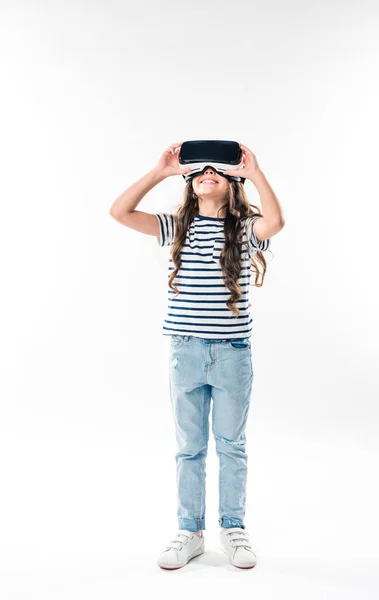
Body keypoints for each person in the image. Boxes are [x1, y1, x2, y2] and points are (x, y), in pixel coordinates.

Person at [110, 141, 285, 570]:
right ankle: (190, 531)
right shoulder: (179, 227)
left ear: (232, 183)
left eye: (219, 170)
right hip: (185, 352)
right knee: (189, 447)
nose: (209, 172)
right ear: (191, 182)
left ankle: (234, 528)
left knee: (231, 445)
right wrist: (159, 172)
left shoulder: (244, 228)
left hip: (231, 354)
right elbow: (119, 212)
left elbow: (276, 223)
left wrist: (256, 172)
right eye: (201, 170)